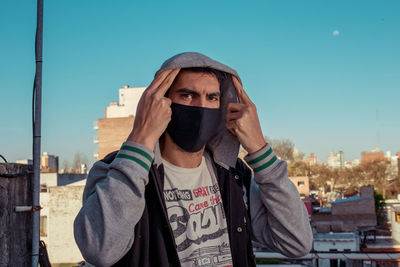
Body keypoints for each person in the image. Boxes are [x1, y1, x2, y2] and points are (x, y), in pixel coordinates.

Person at [74, 52, 313, 267]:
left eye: (212, 97)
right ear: (162, 103)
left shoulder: (234, 176)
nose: (201, 107)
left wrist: (260, 150)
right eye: (187, 95)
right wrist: (140, 137)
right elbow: (99, 251)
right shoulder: (116, 171)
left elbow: (297, 243)